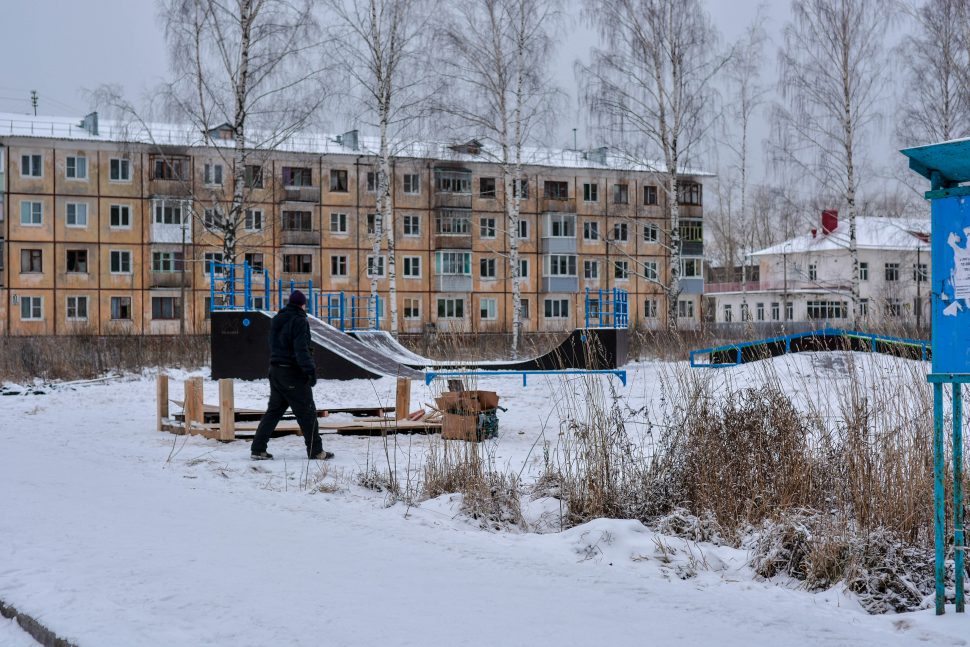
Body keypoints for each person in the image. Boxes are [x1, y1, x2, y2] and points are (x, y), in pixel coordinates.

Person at [251, 290, 333, 461]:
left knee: (273, 412)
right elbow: (301, 349)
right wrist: (310, 371)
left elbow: (275, 345)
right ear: (302, 305)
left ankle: (258, 449)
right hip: (292, 373)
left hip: (275, 371)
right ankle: (316, 451)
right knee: (307, 413)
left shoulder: (277, 319)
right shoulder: (300, 321)